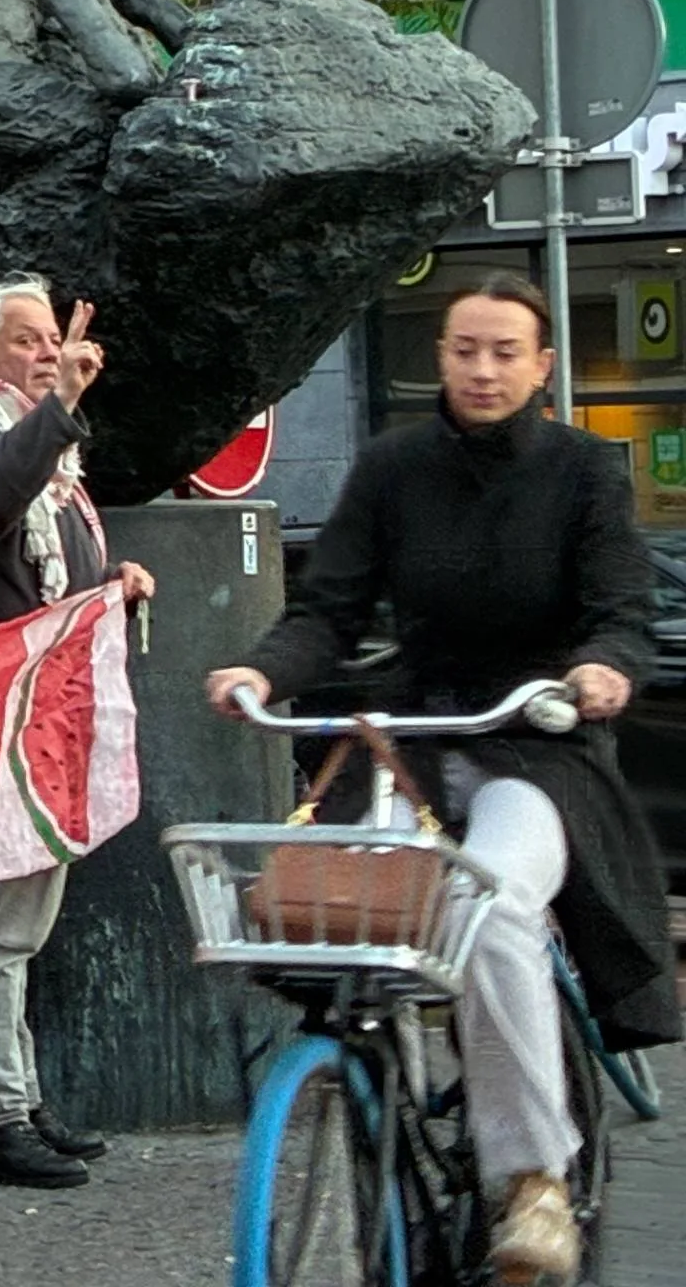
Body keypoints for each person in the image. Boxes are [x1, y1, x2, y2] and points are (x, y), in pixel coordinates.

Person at [207, 273, 673, 1287]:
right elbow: (327, 608)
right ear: (442, 357)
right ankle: (356, 1069)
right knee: (334, 903)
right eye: (465, 348)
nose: (483, 367)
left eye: (507, 351)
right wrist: (262, 667)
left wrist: (602, 666)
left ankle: (532, 1182)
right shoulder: (390, 468)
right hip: (412, 735)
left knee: (491, 906)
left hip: (536, 742)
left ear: (543, 366)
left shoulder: (585, 470)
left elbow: (622, 608)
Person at [0, 275, 156, 1189]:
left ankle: (17, 1097)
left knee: (21, 924)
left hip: (41, 720)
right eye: (26, 340)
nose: (48, 351)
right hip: (0, 720)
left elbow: (50, 577)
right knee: (2, 928)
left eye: (51, 337)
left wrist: (112, 581)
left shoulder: (45, 459)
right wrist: (58, 407)